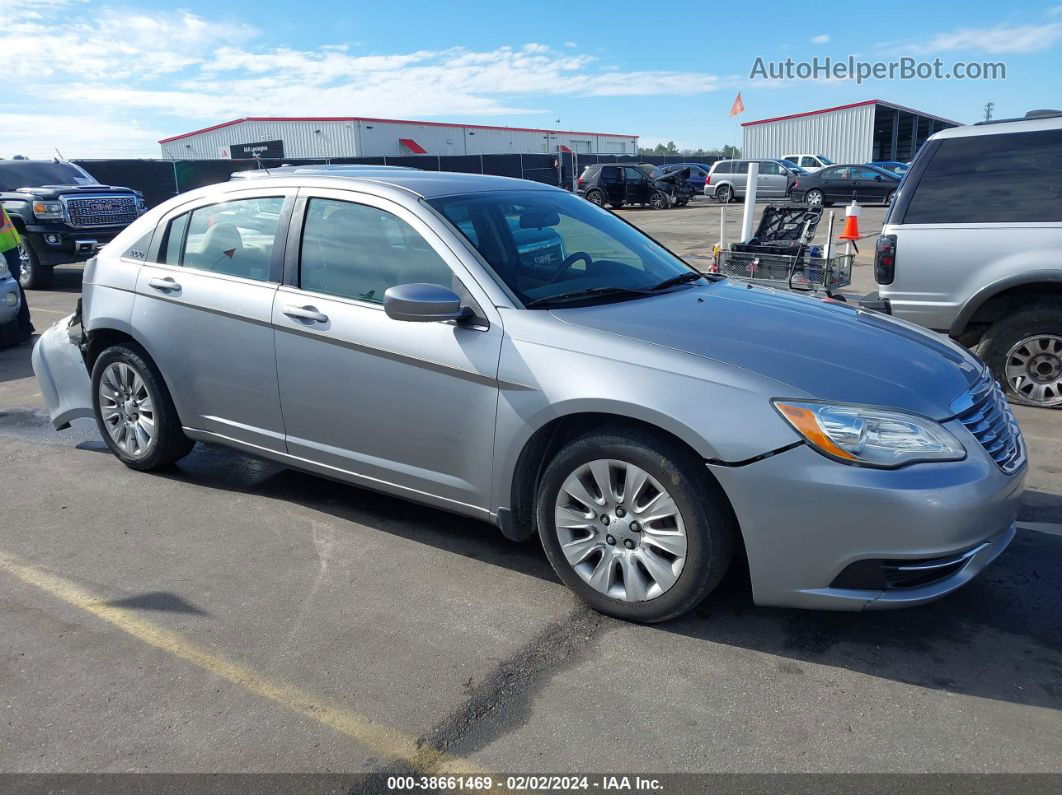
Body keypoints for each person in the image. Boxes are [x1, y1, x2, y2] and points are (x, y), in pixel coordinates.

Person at [0, 208, 34, 342]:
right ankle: (22, 327)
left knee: (12, 286)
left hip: (5, 249)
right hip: (8, 247)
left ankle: (23, 328)